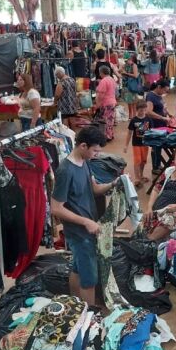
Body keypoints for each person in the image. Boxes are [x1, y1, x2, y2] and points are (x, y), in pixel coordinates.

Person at [51, 126, 116, 306]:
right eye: (94, 150)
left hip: (87, 228)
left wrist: (114, 184)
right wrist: (85, 221)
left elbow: (94, 189)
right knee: (89, 278)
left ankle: (75, 304)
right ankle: (90, 316)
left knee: (78, 268)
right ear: (83, 146)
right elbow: (56, 208)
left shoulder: (85, 162)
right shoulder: (65, 171)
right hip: (79, 232)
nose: (96, 154)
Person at [145, 80, 173, 174]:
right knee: (155, 145)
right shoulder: (150, 96)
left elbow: (163, 107)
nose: (165, 92)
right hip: (154, 124)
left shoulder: (159, 95)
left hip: (161, 124)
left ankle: (158, 164)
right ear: (159, 87)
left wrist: (169, 114)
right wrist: (162, 118)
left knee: (159, 145)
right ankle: (155, 167)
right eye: (164, 90)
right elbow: (148, 112)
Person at [124, 99, 152, 188]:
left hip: (145, 144)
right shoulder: (134, 120)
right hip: (136, 144)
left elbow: (152, 131)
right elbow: (129, 133)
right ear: (137, 110)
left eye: (144, 110)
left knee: (143, 161)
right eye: (140, 110)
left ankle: (141, 175)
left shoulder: (148, 119)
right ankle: (136, 178)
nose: (143, 112)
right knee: (137, 160)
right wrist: (126, 145)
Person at [95, 65, 118, 141]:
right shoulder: (112, 79)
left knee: (106, 120)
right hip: (112, 102)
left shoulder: (104, 81)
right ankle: (110, 134)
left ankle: (107, 136)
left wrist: (97, 104)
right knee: (110, 120)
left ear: (102, 72)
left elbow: (101, 94)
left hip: (106, 103)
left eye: (100, 72)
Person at [120, 54, 141, 118]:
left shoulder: (134, 65)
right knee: (129, 101)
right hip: (127, 85)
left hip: (132, 85)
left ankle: (133, 115)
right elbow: (120, 72)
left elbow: (135, 75)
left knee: (133, 101)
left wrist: (126, 73)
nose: (127, 61)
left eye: (129, 59)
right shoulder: (125, 65)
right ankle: (130, 115)